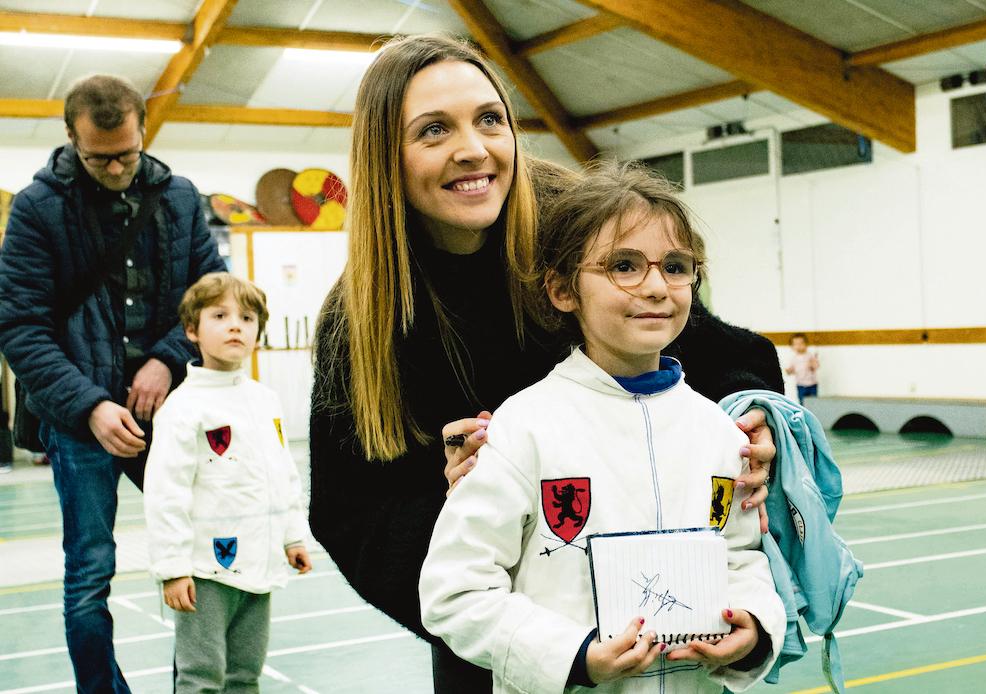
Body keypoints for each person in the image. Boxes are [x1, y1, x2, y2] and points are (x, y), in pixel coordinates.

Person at [308, 35, 784, 692]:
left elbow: (714, 346)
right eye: (433, 130)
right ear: (387, 155)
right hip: (506, 649)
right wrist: (464, 503)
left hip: (666, 638)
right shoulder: (362, 313)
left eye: (489, 119)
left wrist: (750, 414)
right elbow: (352, 514)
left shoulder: (580, 221)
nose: (471, 148)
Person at [419, 162, 785, 693]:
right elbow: (455, 593)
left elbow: (739, 556)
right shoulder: (521, 430)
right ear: (564, 290)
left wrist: (752, 623)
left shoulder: (721, 433)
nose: (658, 287)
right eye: (624, 265)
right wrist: (572, 657)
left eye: (677, 266)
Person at [0, 74, 225, 692]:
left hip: (172, 413)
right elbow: (19, 327)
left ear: (143, 132)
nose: (117, 167)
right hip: (80, 423)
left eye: (127, 152)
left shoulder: (180, 197)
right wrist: (92, 405)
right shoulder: (37, 207)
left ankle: (198, 684)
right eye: (100, 157)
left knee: (203, 553)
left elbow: (214, 299)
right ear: (71, 139)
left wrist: (168, 359)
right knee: (89, 572)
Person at [144, 272, 311, 693]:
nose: (236, 324)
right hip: (204, 572)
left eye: (248, 317)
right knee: (202, 676)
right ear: (192, 330)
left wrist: (292, 538)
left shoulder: (264, 401)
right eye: (220, 315)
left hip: (259, 564)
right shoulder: (183, 409)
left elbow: (281, 474)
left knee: (245, 674)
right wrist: (173, 569)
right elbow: (166, 494)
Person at [785, 333, 819, 405]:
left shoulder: (810, 355)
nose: (799, 346)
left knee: (814, 402)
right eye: (796, 344)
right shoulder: (793, 358)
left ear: (806, 344)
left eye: (801, 343)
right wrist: (789, 371)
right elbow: (791, 370)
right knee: (802, 402)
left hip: (812, 384)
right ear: (792, 346)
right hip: (800, 385)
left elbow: (816, 366)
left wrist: (813, 365)